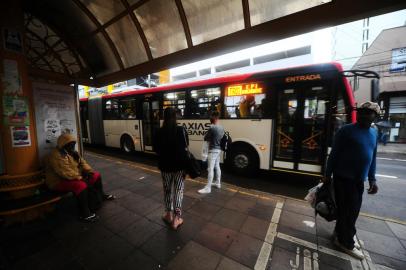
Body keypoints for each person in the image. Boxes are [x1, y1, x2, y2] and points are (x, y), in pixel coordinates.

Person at [324, 101, 380, 259]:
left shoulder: (374, 133)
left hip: (358, 181)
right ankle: (345, 242)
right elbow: (334, 155)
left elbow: (372, 158)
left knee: (350, 212)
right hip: (343, 179)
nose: (363, 114)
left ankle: (341, 233)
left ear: (375, 116)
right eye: (361, 111)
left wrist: (372, 179)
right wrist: (328, 175)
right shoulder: (346, 130)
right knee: (348, 212)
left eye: (367, 112)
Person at [45, 133, 114, 222]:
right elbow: (65, 172)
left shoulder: (72, 153)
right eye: (71, 145)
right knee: (81, 185)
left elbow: (83, 163)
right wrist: (80, 178)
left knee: (96, 175)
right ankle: (85, 214)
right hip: (58, 181)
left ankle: (101, 195)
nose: (73, 146)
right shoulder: (56, 155)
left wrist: (89, 172)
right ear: (64, 145)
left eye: (74, 144)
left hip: (74, 177)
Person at [153, 107, 188, 230]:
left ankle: (168, 214)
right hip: (179, 167)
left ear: (164, 117)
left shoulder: (158, 131)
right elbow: (185, 148)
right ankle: (177, 219)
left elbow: (155, 149)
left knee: (167, 190)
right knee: (178, 191)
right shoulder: (181, 130)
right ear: (175, 117)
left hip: (165, 166)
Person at [198, 111, 224, 194]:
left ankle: (208, 188)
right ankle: (218, 183)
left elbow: (206, 138)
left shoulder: (212, 128)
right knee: (217, 166)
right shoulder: (221, 127)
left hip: (212, 150)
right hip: (218, 149)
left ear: (211, 119)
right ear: (217, 118)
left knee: (210, 169)